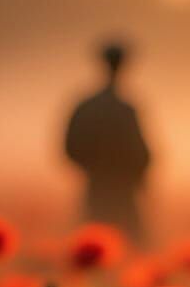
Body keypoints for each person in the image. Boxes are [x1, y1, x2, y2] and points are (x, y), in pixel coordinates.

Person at [65, 42, 151, 237]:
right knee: (129, 242)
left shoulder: (87, 107)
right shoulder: (126, 109)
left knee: (96, 235)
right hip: (120, 188)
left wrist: (91, 167)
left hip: (99, 185)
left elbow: (70, 147)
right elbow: (142, 153)